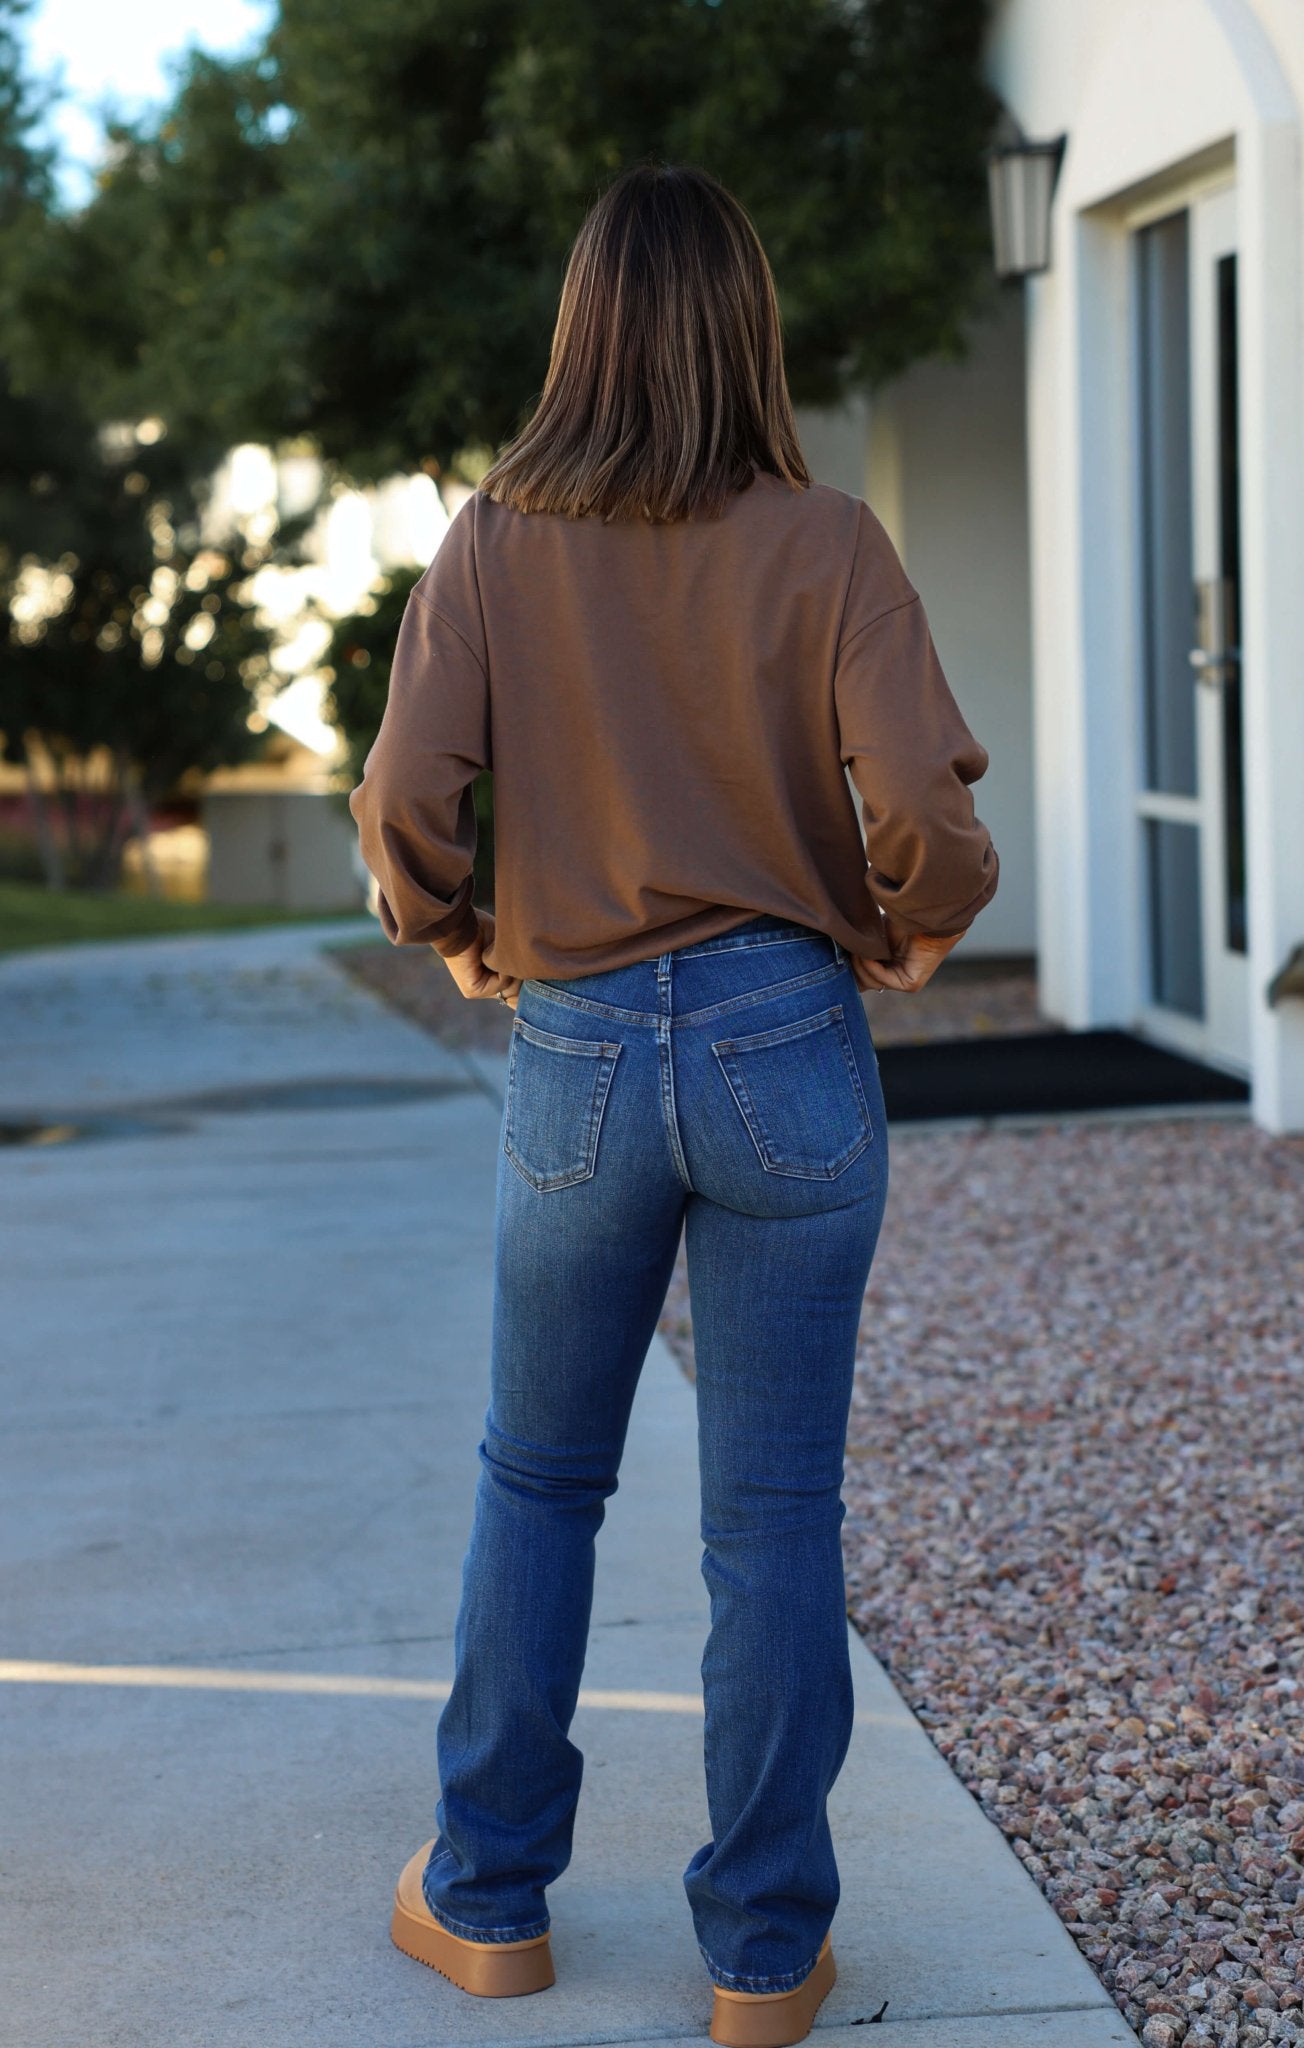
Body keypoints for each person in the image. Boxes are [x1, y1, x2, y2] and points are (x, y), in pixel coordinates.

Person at [349, 159, 999, 2048]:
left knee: (539, 1478)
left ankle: (487, 1899)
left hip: (575, 1050)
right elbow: (923, 810)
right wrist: (915, 927)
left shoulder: (493, 543)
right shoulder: (831, 542)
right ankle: (763, 1955)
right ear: (745, 330)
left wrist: (453, 932)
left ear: (582, 334)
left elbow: (403, 800)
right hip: (783, 1032)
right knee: (772, 1513)